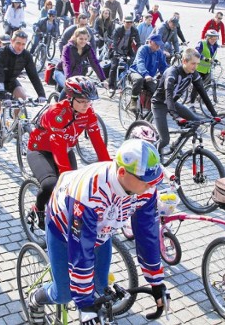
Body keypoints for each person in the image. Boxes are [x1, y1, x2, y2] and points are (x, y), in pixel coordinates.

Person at [26, 138, 169, 325]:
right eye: (147, 180)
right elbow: (81, 251)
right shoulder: (89, 193)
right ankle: (35, 299)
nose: (152, 185)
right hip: (63, 226)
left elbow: (147, 235)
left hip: (102, 229)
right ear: (122, 172)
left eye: (155, 179)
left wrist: (156, 283)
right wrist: (84, 305)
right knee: (64, 294)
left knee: (101, 287)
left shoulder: (146, 189)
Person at [24, 75, 110, 231]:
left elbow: (97, 141)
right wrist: (67, 179)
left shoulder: (88, 112)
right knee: (52, 184)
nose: (86, 105)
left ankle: (61, 214)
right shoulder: (56, 113)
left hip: (65, 149)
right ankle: (38, 208)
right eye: (82, 101)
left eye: (89, 101)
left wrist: (109, 169)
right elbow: (58, 148)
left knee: (76, 188)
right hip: (41, 150)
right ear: (70, 98)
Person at [0, 31, 46, 153]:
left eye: (23, 44)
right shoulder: (1, 53)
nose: (20, 47)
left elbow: (33, 75)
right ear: (12, 41)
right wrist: (3, 96)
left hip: (11, 81)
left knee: (23, 98)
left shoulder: (26, 55)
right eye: (18, 43)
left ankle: (19, 125)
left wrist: (41, 94)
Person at [151, 48, 218, 155]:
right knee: (164, 140)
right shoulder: (172, 73)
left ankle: (176, 145)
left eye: (197, 64)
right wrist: (176, 116)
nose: (196, 67)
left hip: (173, 103)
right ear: (184, 61)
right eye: (193, 63)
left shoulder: (193, 74)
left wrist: (214, 114)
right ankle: (149, 153)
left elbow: (203, 94)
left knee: (196, 122)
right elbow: (168, 95)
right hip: (159, 104)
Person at [55, 27, 107, 100]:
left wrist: (102, 79)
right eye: (81, 39)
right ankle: (59, 106)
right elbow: (66, 64)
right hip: (62, 72)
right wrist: (69, 79)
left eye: (85, 39)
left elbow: (94, 63)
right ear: (75, 37)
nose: (83, 41)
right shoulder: (67, 47)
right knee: (68, 88)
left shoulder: (87, 47)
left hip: (76, 74)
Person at [127, 33, 167, 113]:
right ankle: (133, 101)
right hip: (136, 72)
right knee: (139, 79)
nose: (158, 46)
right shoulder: (143, 49)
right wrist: (145, 74)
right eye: (156, 44)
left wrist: (168, 74)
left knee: (156, 88)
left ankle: (151, 107)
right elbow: (140, 62)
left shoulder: (159, 52)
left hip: (148, 77)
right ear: (150, 42)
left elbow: (163, 65)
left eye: (159, 44)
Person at [185, 29, 220, 109]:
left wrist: (214, 60)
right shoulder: (202, 43)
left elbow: (211, 56)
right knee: (197, 87)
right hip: (198, 69)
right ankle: (192, 103)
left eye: (215, 39)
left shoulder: (215, 46)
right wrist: (205, 59)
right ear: (207, 38)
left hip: (207, 70)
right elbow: (196, 54)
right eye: (212, 39)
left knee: (206, 85)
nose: (213, 41)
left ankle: (200, 99)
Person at [107, 15, 139, 93]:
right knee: (114, 67)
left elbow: (138, 42)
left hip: (127, 50)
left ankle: (124, 83)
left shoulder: (134, 30)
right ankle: (111, 86)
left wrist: (139, 51)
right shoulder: (118, 29)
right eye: (127, 22)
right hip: (116, 50)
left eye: (131, 22)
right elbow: (114, 42)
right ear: (124, 22)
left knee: (130, 67)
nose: (129, 24)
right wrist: (115, 52)